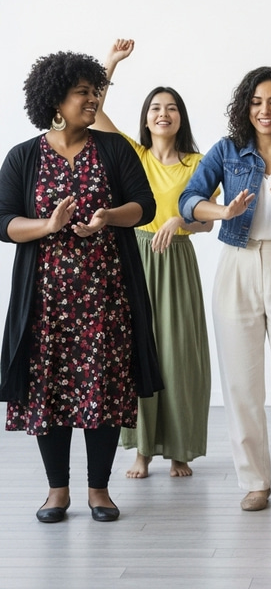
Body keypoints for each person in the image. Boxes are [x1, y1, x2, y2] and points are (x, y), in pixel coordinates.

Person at [0, 50, 161, 523]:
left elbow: (145, 206)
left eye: (96, 92)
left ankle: (99, 490)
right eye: (83, 93)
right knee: (48, 391)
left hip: (106, 297)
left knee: (103, 388)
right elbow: (4, 222)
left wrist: (108, 217)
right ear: (56, 100)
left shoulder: (113, 149)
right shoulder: (24, 156)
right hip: (45, 302)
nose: (93, 100)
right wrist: (48, 226)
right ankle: (57, 491)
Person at [179, 66, 271, 512]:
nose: (265, 110)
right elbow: (189, 200)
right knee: (241, 381)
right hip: (238, 265)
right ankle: (255, 481)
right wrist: (223, 212)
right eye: (257, 102)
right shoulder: (227, 150)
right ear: (246, 107)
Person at [93, 38, 213, 479]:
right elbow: (94, 111)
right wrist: (110, 64)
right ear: (146, 118)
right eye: (156, 108)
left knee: (179, 356)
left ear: (181, 117)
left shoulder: (199, 163)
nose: (163, 114)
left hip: (176, 259)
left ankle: (179, 449)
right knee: (136, 352)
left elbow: (207, 223)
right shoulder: (133, 154)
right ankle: (141, 450)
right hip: (135, 255)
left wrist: (180, 222)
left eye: (172, 108)